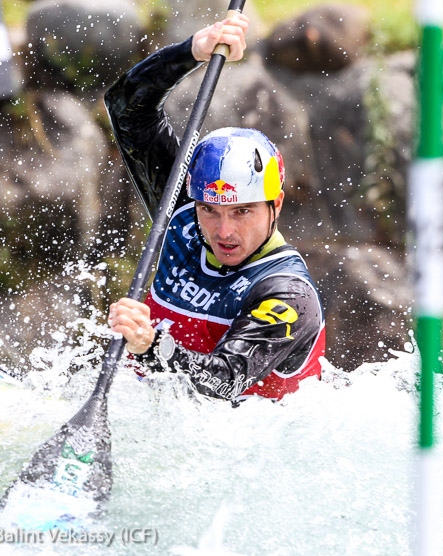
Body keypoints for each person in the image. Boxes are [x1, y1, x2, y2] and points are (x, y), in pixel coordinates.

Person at [103, 14, 326, 403]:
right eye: (210, 210)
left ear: (276, 204)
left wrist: (151, 345)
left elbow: (224, 381)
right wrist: (192, 51)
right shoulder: (182, 210)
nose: (223, 231)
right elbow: (126, 107)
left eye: (242, 212)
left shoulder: (287, 294)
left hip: (245, 444)